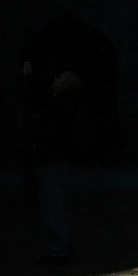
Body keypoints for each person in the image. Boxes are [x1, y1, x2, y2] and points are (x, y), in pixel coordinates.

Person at [34, 70, 86, 265]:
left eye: (58, 78)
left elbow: (51, 133)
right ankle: (63, 245)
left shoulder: (60, 104)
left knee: (54, 203)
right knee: (59, 202)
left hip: (53, 158)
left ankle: (59, 248)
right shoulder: (68, 104)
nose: (54, 81)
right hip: (58, 157)